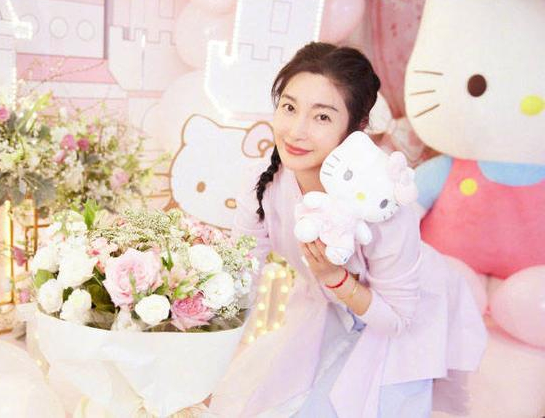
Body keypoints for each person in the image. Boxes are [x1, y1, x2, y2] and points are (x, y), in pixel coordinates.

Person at [208, 42, 487, 418]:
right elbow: (243, 275)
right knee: (267, 400)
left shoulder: (384, 202)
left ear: (357, 127)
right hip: (329, 304)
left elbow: (397, 318)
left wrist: (335, 279)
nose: (296, 131)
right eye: (289, 107)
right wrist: (205, 357)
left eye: (322, 117)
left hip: (404, 311)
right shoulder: (262, 181)